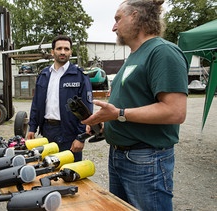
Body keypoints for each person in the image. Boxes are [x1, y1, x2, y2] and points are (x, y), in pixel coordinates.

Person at [81, 0, 189, 210]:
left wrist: (118, 114)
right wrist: (105, 122)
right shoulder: (133, 57)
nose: (113, 27)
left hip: (146, 161)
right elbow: (132, 103)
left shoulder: (163, 52)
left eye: (117, 19)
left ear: (135, 16)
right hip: (120, 156)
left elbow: (175, 111)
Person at [26, 35, 93, 162]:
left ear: (70, 52)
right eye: (59, 48)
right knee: (47, 169)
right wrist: (32, 128)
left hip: (69, 133)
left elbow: (87, 110)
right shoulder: (44, 75)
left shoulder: (79, 75)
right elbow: (36, 104)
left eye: (66, 49)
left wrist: (80, 137)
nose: (63, 52)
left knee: (69, 172)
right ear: (52, 52)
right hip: (47, 131)